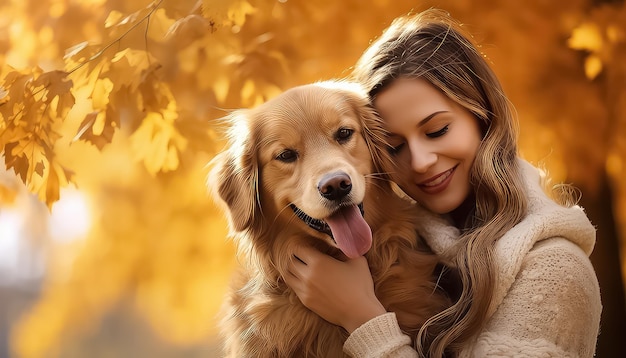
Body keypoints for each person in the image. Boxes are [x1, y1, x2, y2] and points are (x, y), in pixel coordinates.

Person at [284, 8, 602, 358]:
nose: (420, 162)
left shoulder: (556, 268)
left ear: (482, 116)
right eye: (395, 147)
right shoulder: (402, 254)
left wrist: (361, 318)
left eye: (437, 130)